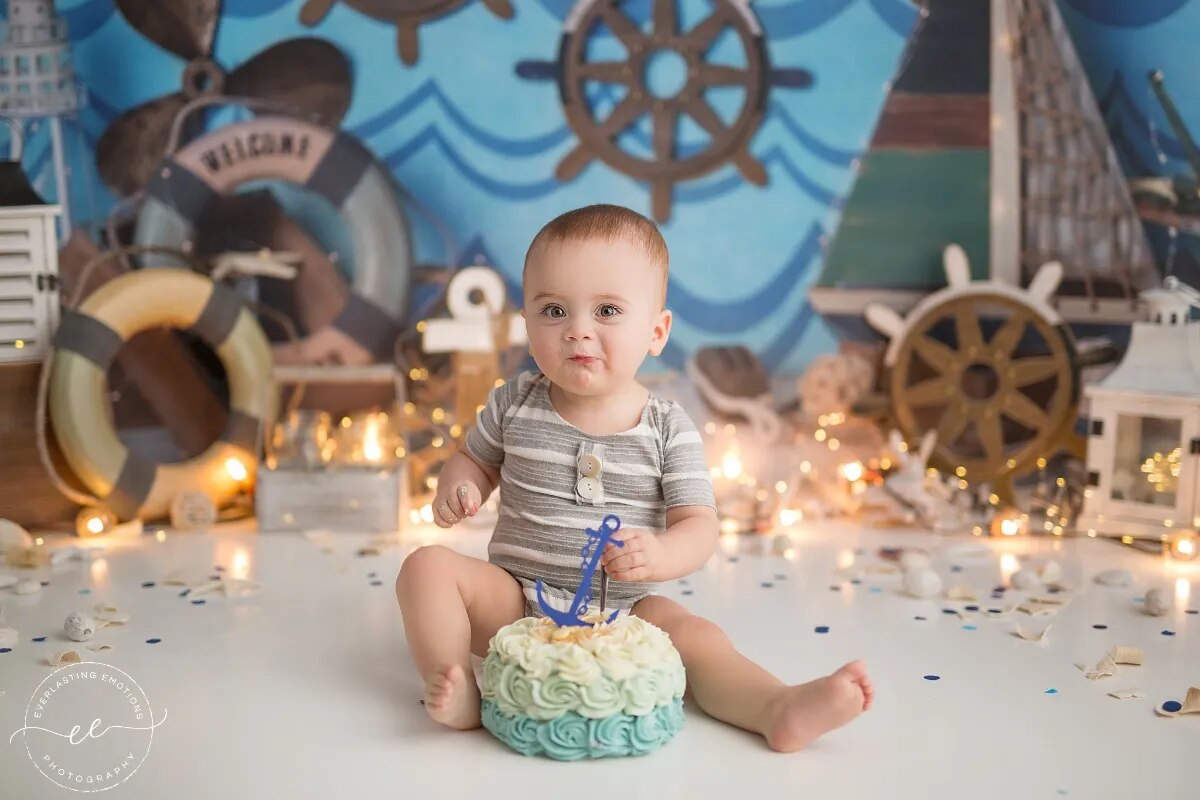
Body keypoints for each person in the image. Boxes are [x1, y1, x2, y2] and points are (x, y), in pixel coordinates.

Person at [396, 204, 873, 751]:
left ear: (656, 330)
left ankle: (774, 706)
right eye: (554, 311)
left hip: (627, 612)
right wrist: (461, 487)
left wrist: (662, 555)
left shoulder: (668, 428)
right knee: (425, 568)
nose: (578, 331)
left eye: (606, 310)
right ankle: (458, 685)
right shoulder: (513, 404)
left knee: (699, 638)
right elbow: (474, 459)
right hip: (513, 604)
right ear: (526, 327)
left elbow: (699, 524)